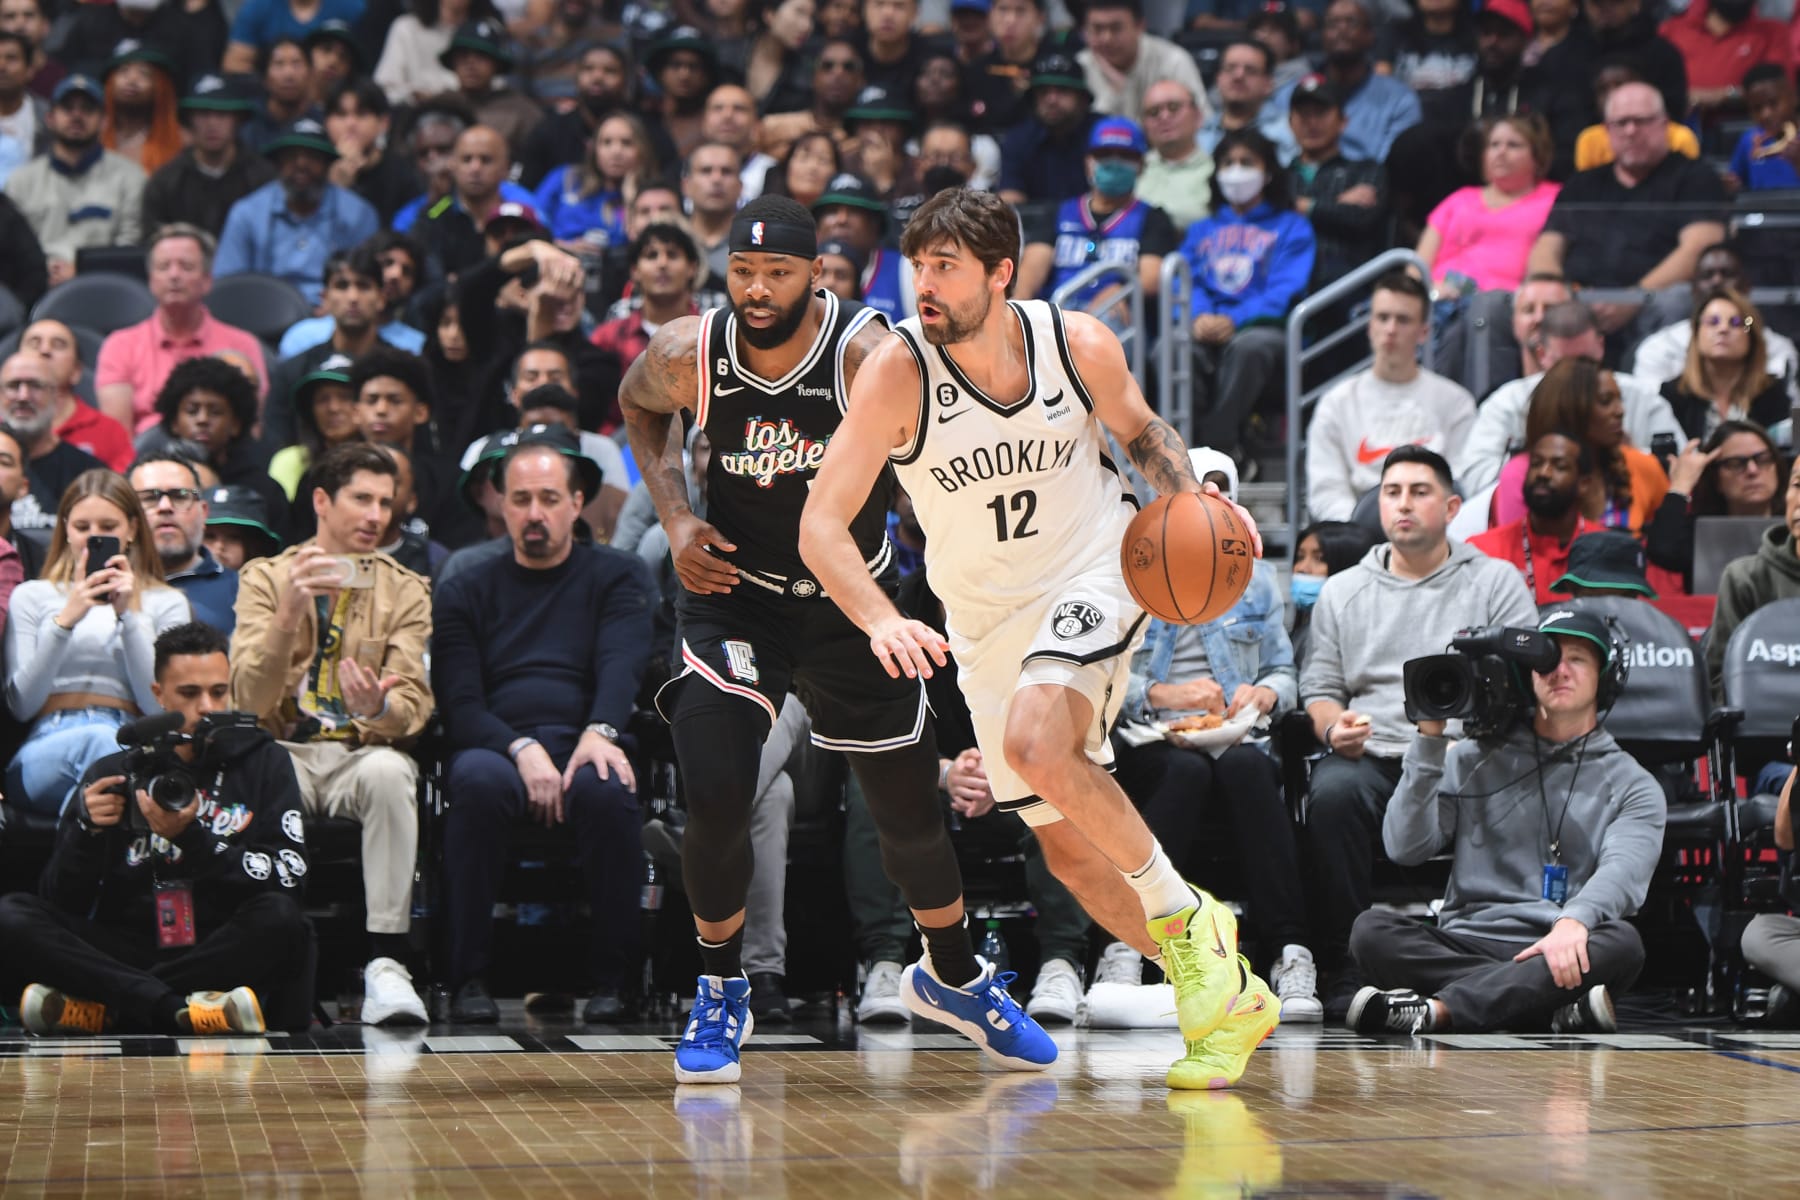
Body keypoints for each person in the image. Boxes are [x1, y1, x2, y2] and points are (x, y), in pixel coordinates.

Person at [800, 186, 1280, 1091]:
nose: (926, 286)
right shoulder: (897, 371)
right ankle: (1228, 993)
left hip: (1097, 568)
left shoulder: (1077, 342)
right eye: (918, 267)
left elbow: (1141, 434)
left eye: (946, 267)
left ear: (1001, 273)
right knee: (1068, 855)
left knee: (1033, 741)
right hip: (984, 620)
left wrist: (1194, 498)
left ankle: (1191, 922)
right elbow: (821, 524)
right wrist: (881, 615)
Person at [618, 194, 1056, 1085]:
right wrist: (675, 518)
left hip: (853, 604)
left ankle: (957, 976)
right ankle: (720, 987)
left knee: (906, 817)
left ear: (816, 274)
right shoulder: (688, 350)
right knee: (715, 791)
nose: (757, 289)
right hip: (735, 599)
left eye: (777, 273)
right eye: (742, 273)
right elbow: (637, 405)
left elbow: (938, 460)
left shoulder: (865, 354)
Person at [1299, 446, 1538, 1017]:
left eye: (1419, 491)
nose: (1403, 504)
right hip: (1374, 750)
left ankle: (1494, 955)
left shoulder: (1495, 581)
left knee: (1518, 788)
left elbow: (1527, 680)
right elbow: (1320, 689)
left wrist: (1482, 720)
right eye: (1392, 492)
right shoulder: (1344, 589)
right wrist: (1334, 730)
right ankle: (1345, 969)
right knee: (1332, 794)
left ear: (1452, 505)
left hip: (1474, 751)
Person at [1347, 607, 1662, 1034]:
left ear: (1605, 679)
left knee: (1623, 943)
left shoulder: (1633, 783)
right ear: (1528, 676)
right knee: (1371, 931)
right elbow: (1404, 847)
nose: (1559, 671)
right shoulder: (1471, 758)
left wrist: (1574, 919)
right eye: (1547, 660)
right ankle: (1545, 1005)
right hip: (1472, 937)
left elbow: (1623, 873)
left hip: (1561, 942)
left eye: (1577, 660)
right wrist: (1429, 742)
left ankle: (1439, 1011)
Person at [433, 433, 653, 1022]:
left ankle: (616, 981)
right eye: (522, 499)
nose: (535, 514)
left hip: (588, 734)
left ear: (577, 503)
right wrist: (520, 746)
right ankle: (468, 979)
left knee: (607, 789)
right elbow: (460, 702)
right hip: (497, 743)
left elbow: (621, 665)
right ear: (500, 504)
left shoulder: (619, 575)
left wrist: (600, 729)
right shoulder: (464, 586)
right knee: (476, 784)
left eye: (549, 498)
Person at [0, 622, 310, 1037]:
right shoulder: (114, 770)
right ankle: (178, 1008)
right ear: (156, 694)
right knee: (11, 915)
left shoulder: (263, 761)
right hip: (124, 944)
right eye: (189, 694)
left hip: (216, 943)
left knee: (284, 920)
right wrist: (84, 831)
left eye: (218, 692)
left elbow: (289, 876)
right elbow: (60, 900)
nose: (206, 707)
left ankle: (112, 1007)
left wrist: (195, 840)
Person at [1110, 448, 1320, 1021]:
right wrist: (1164, 696)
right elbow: (1105, 682)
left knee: (1249, 767)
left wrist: (1267, 694)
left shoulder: (1257, 581)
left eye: (1221, 489)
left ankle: (1290, 949)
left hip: (1236, 734)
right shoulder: (1129, 574)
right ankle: (1130, 946)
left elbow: (1283, 669)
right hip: (1148, 736)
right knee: (1182, 771)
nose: (1210, 502)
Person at [230, 442, 433, 1028]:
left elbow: (414, 705)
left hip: (359, 752)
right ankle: (269, 955)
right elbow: (245, 701)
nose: (376, 516)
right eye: (361, 499)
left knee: (394, 772)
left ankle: (387, 965)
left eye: (385, 503)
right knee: (259, 769)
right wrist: (289, 615)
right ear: (321, 500)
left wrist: (382, 706)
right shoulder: (265, 578)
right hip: (280, 751)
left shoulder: (408, 589)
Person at [5, 469, 192, 816]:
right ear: (65, 529)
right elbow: (22, 705)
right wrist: (66, 620)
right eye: (82, 528)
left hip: (132, 734)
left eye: (108, 527)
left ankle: (79, 849)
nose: (94, 537)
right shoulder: (32, 596)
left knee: (112, 752)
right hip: (47, 744)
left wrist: (128, 617)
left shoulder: (166, 602)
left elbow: (158, 707)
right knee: (103, 743)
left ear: (133, 529)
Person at [1526, 83, 1728, 350]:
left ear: (1664, 125)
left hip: (1653, 302)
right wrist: (1557, 293)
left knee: (1677, 301)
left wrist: (1635, 297)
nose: (1631, 131)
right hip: (1578, 303)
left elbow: (1699, 249)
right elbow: (1547, 248)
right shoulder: (1582, 184)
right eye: (1621, 123)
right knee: (1496, 306)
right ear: (1607, 130)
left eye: (1642, 121)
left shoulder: (1697, 178)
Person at [1178, 128, 1315, 460]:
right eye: (1228, 163)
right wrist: (1199, 315)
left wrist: (1234, 319)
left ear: (1267, 172)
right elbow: (1182, 280)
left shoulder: (1292, 227)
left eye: (1246, 162)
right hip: (1205, 324)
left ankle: (1218, 446)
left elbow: (1285, 288)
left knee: (1249, 347)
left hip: (1264, 329)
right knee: (1170, 348)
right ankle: (1181, 449)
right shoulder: (1201, 230)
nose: (1236, 171)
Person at [1455, 301, 1685, 497]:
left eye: (1585, 362)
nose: (1578, 380)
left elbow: (1683, 470)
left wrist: (1627, 456)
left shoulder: (1642, 397)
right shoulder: (1507, 402)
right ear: (1542, 355)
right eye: (1566, 366)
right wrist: (1539, 465)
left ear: (1601, 347)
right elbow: (1475, 479)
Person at [1304, 272, 1477, 523]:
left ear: (1424, 332)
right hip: (1357, 536)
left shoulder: (1456, 403)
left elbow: (1462, 484)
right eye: (1383, 318)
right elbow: (1325, 490)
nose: (1391, 329)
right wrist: (1360, 529)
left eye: (1403, 320)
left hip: (1434, 535)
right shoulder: (1336, 402)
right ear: (1369, 326)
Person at [95, 225, 268, 437]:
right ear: (150, 280)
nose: (174, 275)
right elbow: (118, 439)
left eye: (186, 266)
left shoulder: (242, 345)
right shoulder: (120, 345)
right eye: (163, 266)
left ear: (206, 280)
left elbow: (250, 431)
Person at [1489, 358, 1670, 536]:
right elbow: (1519, 554)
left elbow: (1665, 550)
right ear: (1569, 410)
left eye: (1619, 400)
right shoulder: (1523, 474)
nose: (1620, 411)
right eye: (1606, 401)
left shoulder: (1640, 465)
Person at [214, 117, 381, 306]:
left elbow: (368, 285)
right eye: (291, 156)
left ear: (327, 164)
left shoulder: (358, 214)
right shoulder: (246, 214)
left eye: (312, 157)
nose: (301, 164)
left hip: (335, 322)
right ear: (278, 163)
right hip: (262, 319)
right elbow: (227, 286)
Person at [1016, 117, 1177, 308]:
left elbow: (1151, 278)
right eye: (1104, 154)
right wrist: (1017, 311)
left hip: (1115, 320)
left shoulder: (1153, 219)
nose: (1114, 162)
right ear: (1088, 162)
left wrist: (1119, 292)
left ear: (1141, 165)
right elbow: (1031, 271)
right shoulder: (1058, 213)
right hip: (1058, 314)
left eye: (1125, 156)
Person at [5, 74, 143, 288]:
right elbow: (9, 248)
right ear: (50, 118)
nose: (77, 116)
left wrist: (84, 270)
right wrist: (42, 270)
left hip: (106, 288)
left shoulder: (131, 177)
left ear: (104, 121)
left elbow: (132, 248)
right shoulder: (20, 181)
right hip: (35, 287)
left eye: (88, 109)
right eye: (67, 108)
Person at [1416, 114, 1561, 300]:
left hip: (1506, 305)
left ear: (1538, 157)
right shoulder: (1458, 199)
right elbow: (1416, 267)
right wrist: (1432, 291)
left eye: (1513, 145)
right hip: (1437, 300)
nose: (1501, 152)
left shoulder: (1556, 199)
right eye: (1494, 145)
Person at [150, 355, 290, 542]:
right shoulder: (151, 480)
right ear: (174, 422)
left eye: (215, 412)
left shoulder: (263, 489)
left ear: (236, 424)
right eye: (192, 410)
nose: (202, 420)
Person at [1267, 0, 1422, 163]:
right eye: (1333, 23)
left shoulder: (1399, 99)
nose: (1341, 30)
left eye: (1352, 22)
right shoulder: (1290, 93)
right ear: (1322, 35)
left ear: (1371, 35)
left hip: (1372, 184)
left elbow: (1397, 161)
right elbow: (1280, 155)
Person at [1631, 243, 1799, 389]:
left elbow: (1795, 421)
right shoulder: (1659, 348)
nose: (1717, 281)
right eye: (1707, 275)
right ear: (1693, 289)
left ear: (1747, 286)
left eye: (1727, 274)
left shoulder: (1778, 349)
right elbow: (1649, 417)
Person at [1468, 430, 1607, 603]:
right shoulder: (1483, 550)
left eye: (1559, 466)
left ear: (1583, 484)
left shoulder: (1608, 551)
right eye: (1536, 463)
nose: (1544, 473)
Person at [589, 224, 702, 433]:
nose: (662, 264)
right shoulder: (607, 337)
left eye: (673, 255)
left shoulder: (712, 334)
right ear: (635, 271)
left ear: (692, 268)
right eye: (651, 256)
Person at [1645, 420, 1785, 588]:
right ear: (1715, 478)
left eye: (1763, 459)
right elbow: (1663, 550)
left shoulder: (1793, 525)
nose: (1752, 470)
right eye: (1735, 463)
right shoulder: (1700, 532)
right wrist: (1681, 484)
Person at [1285, 74, 1386, 292]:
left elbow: (1360, 218)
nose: (1312, 123)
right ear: (1290, 122)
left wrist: (1302, 205)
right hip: (1287, 286)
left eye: (1320, 113)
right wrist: (1334, 204)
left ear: (1343, 121)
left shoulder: (1366, 170)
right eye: (1303, 115)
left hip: (1348, 288)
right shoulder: (1278, 176)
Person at [143, 75, 274, 238]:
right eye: (203, 114)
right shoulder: (166, 181)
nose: (212, 123)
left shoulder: (263, 178)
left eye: (222, 114)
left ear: (238, 120)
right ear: (189, 120)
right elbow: (152, 241)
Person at [1659, 288, 1789, 441]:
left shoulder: (1775, 390)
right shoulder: (1672, 394)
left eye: (1736, 323)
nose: (1723, 329)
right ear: (1696, 334)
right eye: (1712, 322)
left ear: (1752, 337)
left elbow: (1793, 447)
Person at [0, 351, 106, 535]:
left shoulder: (90, 474)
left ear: (56, 396)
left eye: (35, 386)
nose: (23, 396)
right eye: (13, 385)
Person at [129, 454, 237, 633]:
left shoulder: (241, 592)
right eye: (149, 498)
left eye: (180, 496)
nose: (165, 506)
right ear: (126, 515)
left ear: (203, 513)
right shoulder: (103, 588)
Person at [18, 318, 133, 472]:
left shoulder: (109, 431)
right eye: (34, 343)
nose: (44, 350)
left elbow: (121, 491)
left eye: (58, 344)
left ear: (76, 371)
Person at [533, 111, 656, 252]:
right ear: (594, 149)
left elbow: (642, 248)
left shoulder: (651, 197)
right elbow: (533, 226)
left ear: (642, 150)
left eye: (627, 143)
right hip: (556, 260)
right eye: (606, 142)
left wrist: (631, 201)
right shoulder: (565, 178)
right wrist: (563, 247)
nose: (616, 151)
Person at [1077, 0, 1206, 125]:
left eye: (1116, 28)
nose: (1107, 39)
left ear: (1140, 26)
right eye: (1097, 29)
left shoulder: (1173, 60)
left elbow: (1203, 119)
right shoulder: (1080, 65)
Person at [997, 53, 1099, 207]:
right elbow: (1010, 202)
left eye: (1063, 90)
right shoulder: (1018, 139)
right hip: (1033, 228)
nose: (1051, 100)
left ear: (1082, 99)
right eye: (1043, 92)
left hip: (1097, 226)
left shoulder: (1103, 133)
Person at [1659, 0, 1790, 117]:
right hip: (1679, 123)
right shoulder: (1672, 30)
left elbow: (1780, 88)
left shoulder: (1772, 33)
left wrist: (1725, 95)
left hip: (1742, 124)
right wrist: (1680, 95)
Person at [435, 19, 542, 157]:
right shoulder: (438, 106)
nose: (471, 64)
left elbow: (539, 156)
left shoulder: (521, 111)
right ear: (453, 62)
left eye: (481, 56)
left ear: (496, 63)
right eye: (463, 56)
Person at [1289, 519, 1381, 668]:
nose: (1302, 568)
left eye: (1319, 559)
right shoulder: (1301, 633)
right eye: (1300, 557)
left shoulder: (1359, 642)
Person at [1197, 39, 1294, 162]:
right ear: (1218, 79)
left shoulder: (1290, 131)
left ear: (1268, 84)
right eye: (1230, 68)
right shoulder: (1198, 134)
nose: (1238, 76)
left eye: (1250, 70)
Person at [1137, 78, 1213, 231]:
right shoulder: (1133, 169)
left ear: (1198, 116)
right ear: (1144, 124)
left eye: (1173, 107)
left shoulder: (1216, 170)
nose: (1164, 117)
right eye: (1153, 112)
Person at [203, 485, 283, 572]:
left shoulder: (271, 583)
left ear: (254, 547)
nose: (219, 546)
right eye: (209, 536)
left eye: (233, 538)